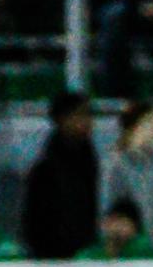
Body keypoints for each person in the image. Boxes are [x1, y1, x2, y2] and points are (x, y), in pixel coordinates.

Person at [21, 92, 99, 258]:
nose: (87, 122)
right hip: (52, 260)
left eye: (88, 115)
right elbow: (33, 223)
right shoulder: (45, 168)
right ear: (62, 120)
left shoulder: (93, 163)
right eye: (79, 115)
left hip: (89, 258)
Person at [102, 101, 153, 253]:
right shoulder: (116, 164)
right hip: (135, 247)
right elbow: (111, 206)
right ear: (136, 126)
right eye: (152, 122)